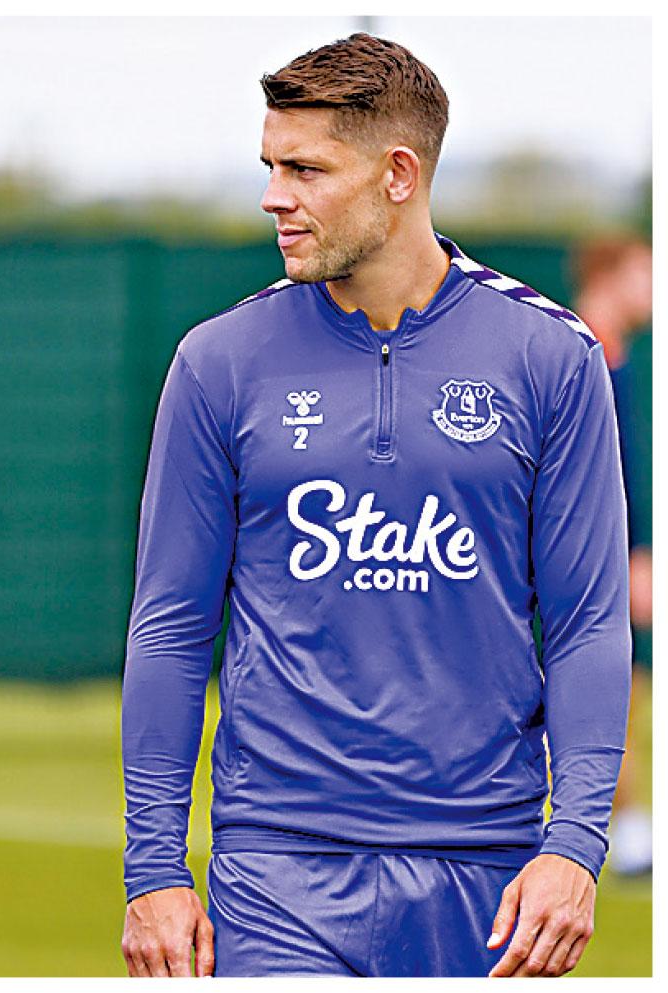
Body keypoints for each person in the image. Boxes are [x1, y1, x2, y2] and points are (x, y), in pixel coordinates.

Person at [120, 33, 630, 978]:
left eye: (306, 170)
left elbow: (588, 623)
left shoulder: (551, 357)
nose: (275, 196)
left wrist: (574, 844)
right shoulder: (218, 361)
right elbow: (171, 627)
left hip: (490, 873)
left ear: (399, 175)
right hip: (275, 869)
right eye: (270, 166)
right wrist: (152, 864)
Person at [570, 236, 654, 876]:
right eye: (644, 274)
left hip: (617, 559)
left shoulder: (618, 357)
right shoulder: (580, 354)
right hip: (586, 564)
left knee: (624, 689)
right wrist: (624, 559)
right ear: (609, 276)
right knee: (601, 690)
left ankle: (625, 829)